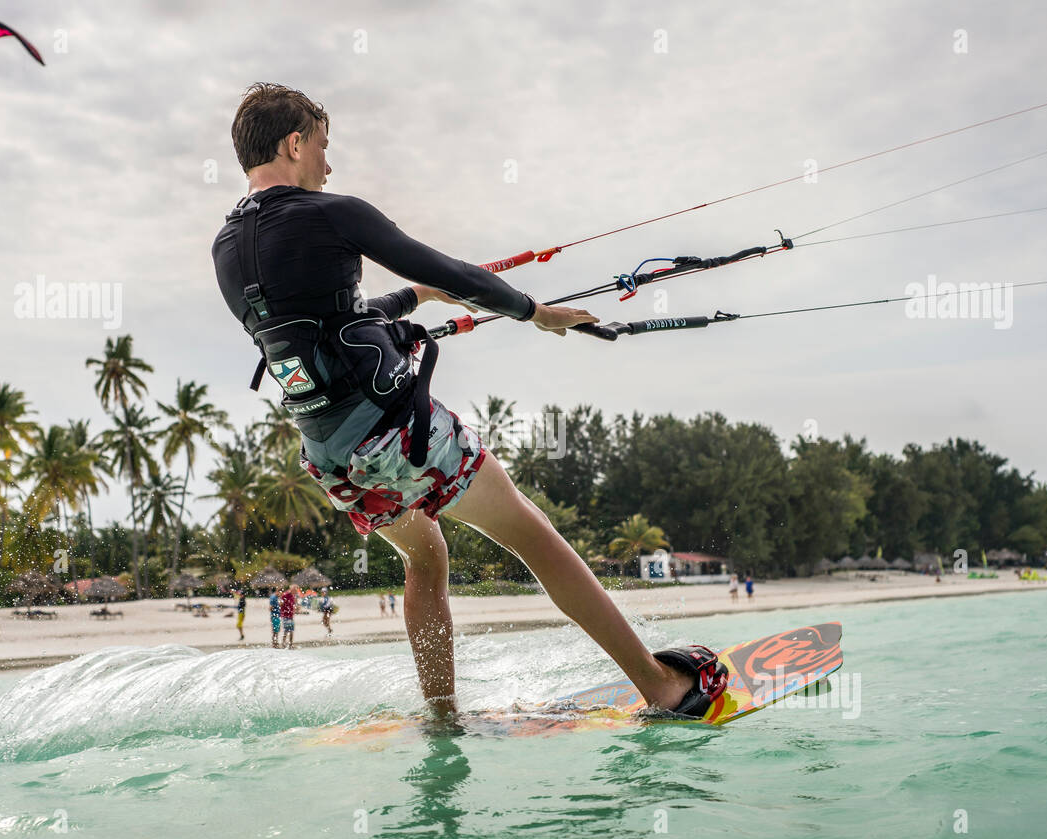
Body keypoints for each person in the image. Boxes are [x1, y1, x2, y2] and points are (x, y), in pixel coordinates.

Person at [210, 84, 726, 719]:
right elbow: (456, 271)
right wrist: (536, 313)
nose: (328, 163)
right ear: (294, 143)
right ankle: (664, 687)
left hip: (331, 458)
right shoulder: (333, 213)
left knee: (426, 556)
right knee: (532, 536)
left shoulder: (227, 247)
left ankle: (443, 716)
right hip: (398, 435)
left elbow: (323, 328)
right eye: (321, 145)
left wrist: (417, 299)